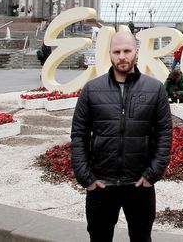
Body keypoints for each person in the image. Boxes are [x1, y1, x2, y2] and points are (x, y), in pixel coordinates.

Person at [71, 30, 172, 242]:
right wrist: (86, 178)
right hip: (101, 184)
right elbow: (79, 135)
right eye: (117, 51)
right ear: (110, 54)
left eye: (127, 50)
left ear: (136, 52)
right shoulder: (91, 90)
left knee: (141, 237)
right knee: (99, 238)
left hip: (139, 184)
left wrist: (152, 174)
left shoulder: (155, 89)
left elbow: (164, 135)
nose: (122, 56)